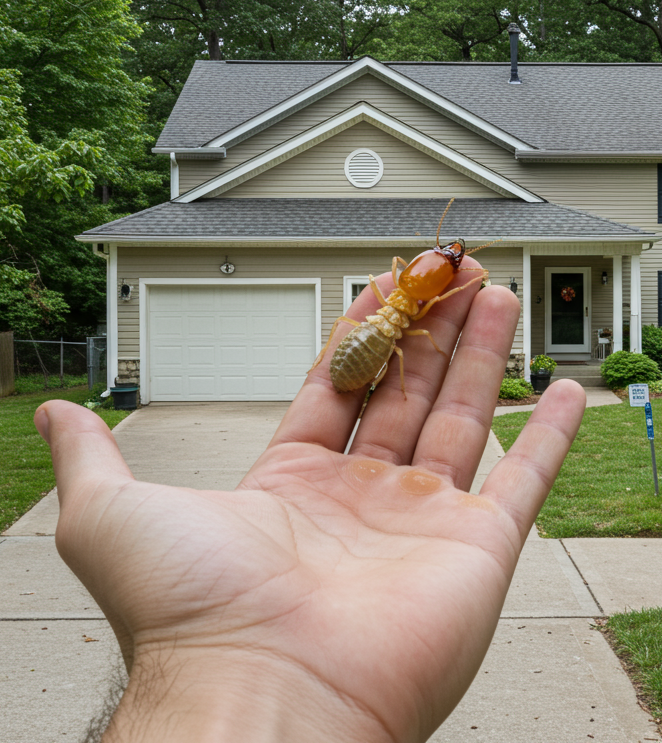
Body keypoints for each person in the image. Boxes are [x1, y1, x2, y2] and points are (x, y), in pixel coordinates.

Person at [34, 257, 587, 742]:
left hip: (373, 340)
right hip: (373, 344)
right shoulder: (404, 310)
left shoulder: (406, 307)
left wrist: (205, 663)